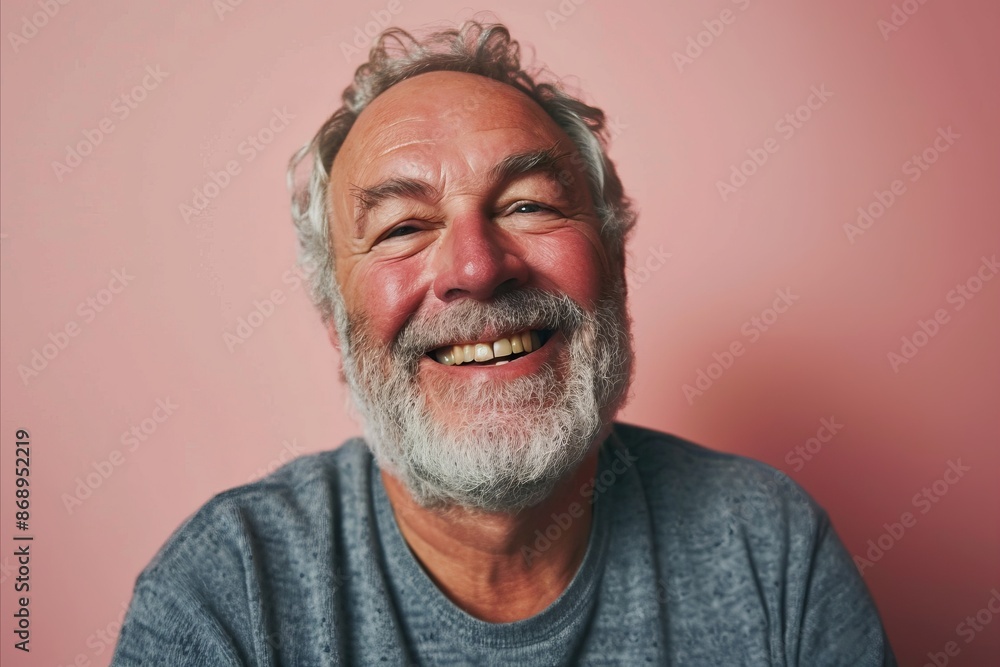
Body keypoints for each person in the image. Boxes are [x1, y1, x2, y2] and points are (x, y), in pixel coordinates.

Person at [112, 19, 896, 666]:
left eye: (527, 205)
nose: (478, 268)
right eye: (403, 227)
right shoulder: (225, 595)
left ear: (615, 264)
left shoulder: (770, 550)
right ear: (334, 316)